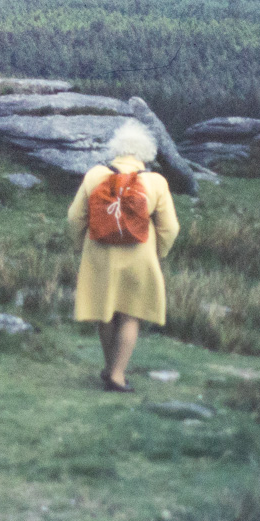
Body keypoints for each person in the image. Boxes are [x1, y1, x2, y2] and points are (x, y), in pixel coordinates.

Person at [67, 121, 180, 392]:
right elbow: (170, 227)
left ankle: (110, 369)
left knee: (105, 314)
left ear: (116, 149)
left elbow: (74, 218)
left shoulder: (95, 175)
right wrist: (158, 252)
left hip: (100, 254)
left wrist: (80, 245)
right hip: (139, 257)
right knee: (130, 315)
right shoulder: (155, 182)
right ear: (145, 153)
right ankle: (117, 375)